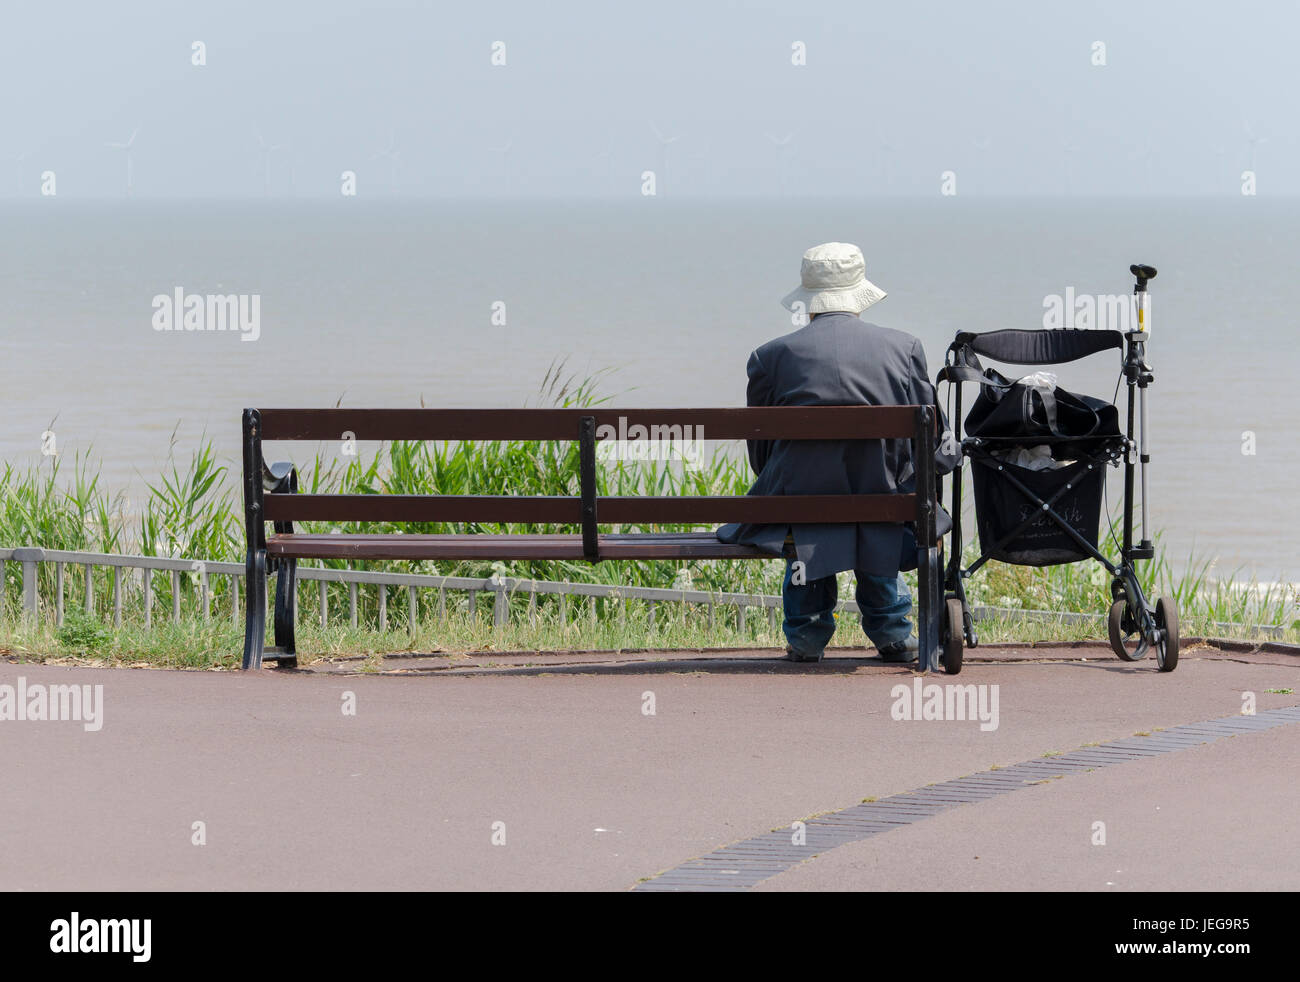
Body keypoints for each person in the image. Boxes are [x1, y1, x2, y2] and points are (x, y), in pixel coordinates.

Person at [716, 242, 957, 663]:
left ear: (810, 300)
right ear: (858, 295)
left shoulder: (770, 357)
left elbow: (761, 452)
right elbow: (930, 438)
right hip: (884, 501)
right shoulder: (905, 348)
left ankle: (807, 636)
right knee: (877, 507)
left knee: (808, 509)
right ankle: (892, 632)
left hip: (804, 505)